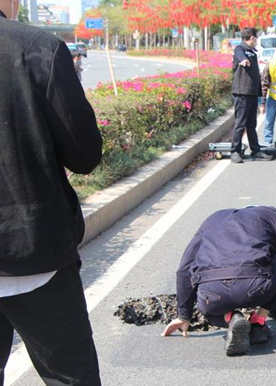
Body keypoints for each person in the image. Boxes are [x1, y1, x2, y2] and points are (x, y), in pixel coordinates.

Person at [0, 2, 103, 384]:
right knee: (71, 377)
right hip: (34, 249)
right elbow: (85, 154)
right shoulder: (37, 47)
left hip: (34, 250)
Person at [161, 206, 276, 356]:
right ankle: (259, 319)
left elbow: (184, 269)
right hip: (256, 287)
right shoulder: (271, 214)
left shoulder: (212, 219)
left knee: (211, 311)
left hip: (211, 296)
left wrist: (184, 316)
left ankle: (231, 318)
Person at [230, 28, 273, 163]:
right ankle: (235, 152)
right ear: (252, 38)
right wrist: (243, 61)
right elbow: (240, 56)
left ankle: (255, 150)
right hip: (242, 92)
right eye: (256, 38)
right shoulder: (240, 49)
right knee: (240, 123)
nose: (257, 41)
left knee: (251, 124)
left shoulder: (253, 52)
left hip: (252, 92)